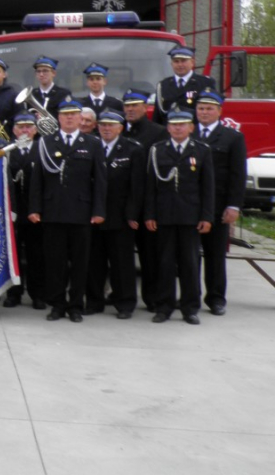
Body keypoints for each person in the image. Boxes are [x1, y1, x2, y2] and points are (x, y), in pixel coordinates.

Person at [28, 99, 107, 322]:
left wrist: (98, 210)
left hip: (81, 212)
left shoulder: (92, 143)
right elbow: (37, 179)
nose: (69, 118)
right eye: (65, 114)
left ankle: (75, 305)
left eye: (73, 114)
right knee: (55, 262)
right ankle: (57, 304)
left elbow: (100, 180)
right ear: (58, 118)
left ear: (80, 118)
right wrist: (35, 208)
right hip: (53, 210)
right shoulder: (45, 142)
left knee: (80, 263)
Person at [144, 110, 214, 324]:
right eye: (173, 124)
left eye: (182, 124)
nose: (177, 128)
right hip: (164, 215)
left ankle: (190, 308)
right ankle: (164, 307)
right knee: (164, 263)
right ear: (168, 128)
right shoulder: (157, 150)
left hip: (190, 216)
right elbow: (150, 186)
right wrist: (150, 214)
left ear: (191, 127)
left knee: (189, 264)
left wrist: (206, 216)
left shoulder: (201, 150)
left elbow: (207, 187)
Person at [85, 110, 143, 319]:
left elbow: (137, 186)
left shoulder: (133, 149)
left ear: (121, 128)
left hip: (120, 216)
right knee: (94, 262)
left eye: (111, 125)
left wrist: (132, 215)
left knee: (122, 264)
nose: (106, 129)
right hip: (93, 215)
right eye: (103, 125)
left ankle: (125, 303)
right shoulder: (90, 146)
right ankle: (94, 302)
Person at [194, 91, 247, 315]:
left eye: (209, 109)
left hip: (218, 206)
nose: (204, 112)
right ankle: (190, 297)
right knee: (189, 256)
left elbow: (237, 174)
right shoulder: (187, 133)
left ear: (219, 111)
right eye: (201, 108)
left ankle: (216, 298)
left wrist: (234, 205)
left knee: (215, 255)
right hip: (190, 205)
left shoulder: (232, 137)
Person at [122, 90, 166, 309]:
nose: (130, 109)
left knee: (149, 256)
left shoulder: (158, 132)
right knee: (122, 257)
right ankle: (123, 296)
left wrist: (151, 209)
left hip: (146, 204)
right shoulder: (118, 130)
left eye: (135, 105)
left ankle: (153, 298)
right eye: (127, 106)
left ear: (145, 107)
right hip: (122, 205)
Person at [3, 114, 44, 310]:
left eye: (29, 126)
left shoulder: (42, 149)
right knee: (14, 255)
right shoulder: (7, 151)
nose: (25, 130)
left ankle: (38, 294)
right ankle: (14, 293)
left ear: (35, 130)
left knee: (37, 255)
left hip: (35, 212)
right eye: (21, 127)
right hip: (14, 211)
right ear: (14, 130)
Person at [155, 46, 216, 121]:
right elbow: (157, 116)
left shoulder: (205, 83)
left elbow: (213, 112)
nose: (180, 65)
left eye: (183, 61)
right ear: (171, 64)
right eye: (176, 61)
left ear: (192, 62)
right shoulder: (163, 85)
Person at [18, 56, 72, 121]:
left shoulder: (63, 93)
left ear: (54, 73)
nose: (41, 74)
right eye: (38, 71)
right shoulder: (32, 94)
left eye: (45, 71)